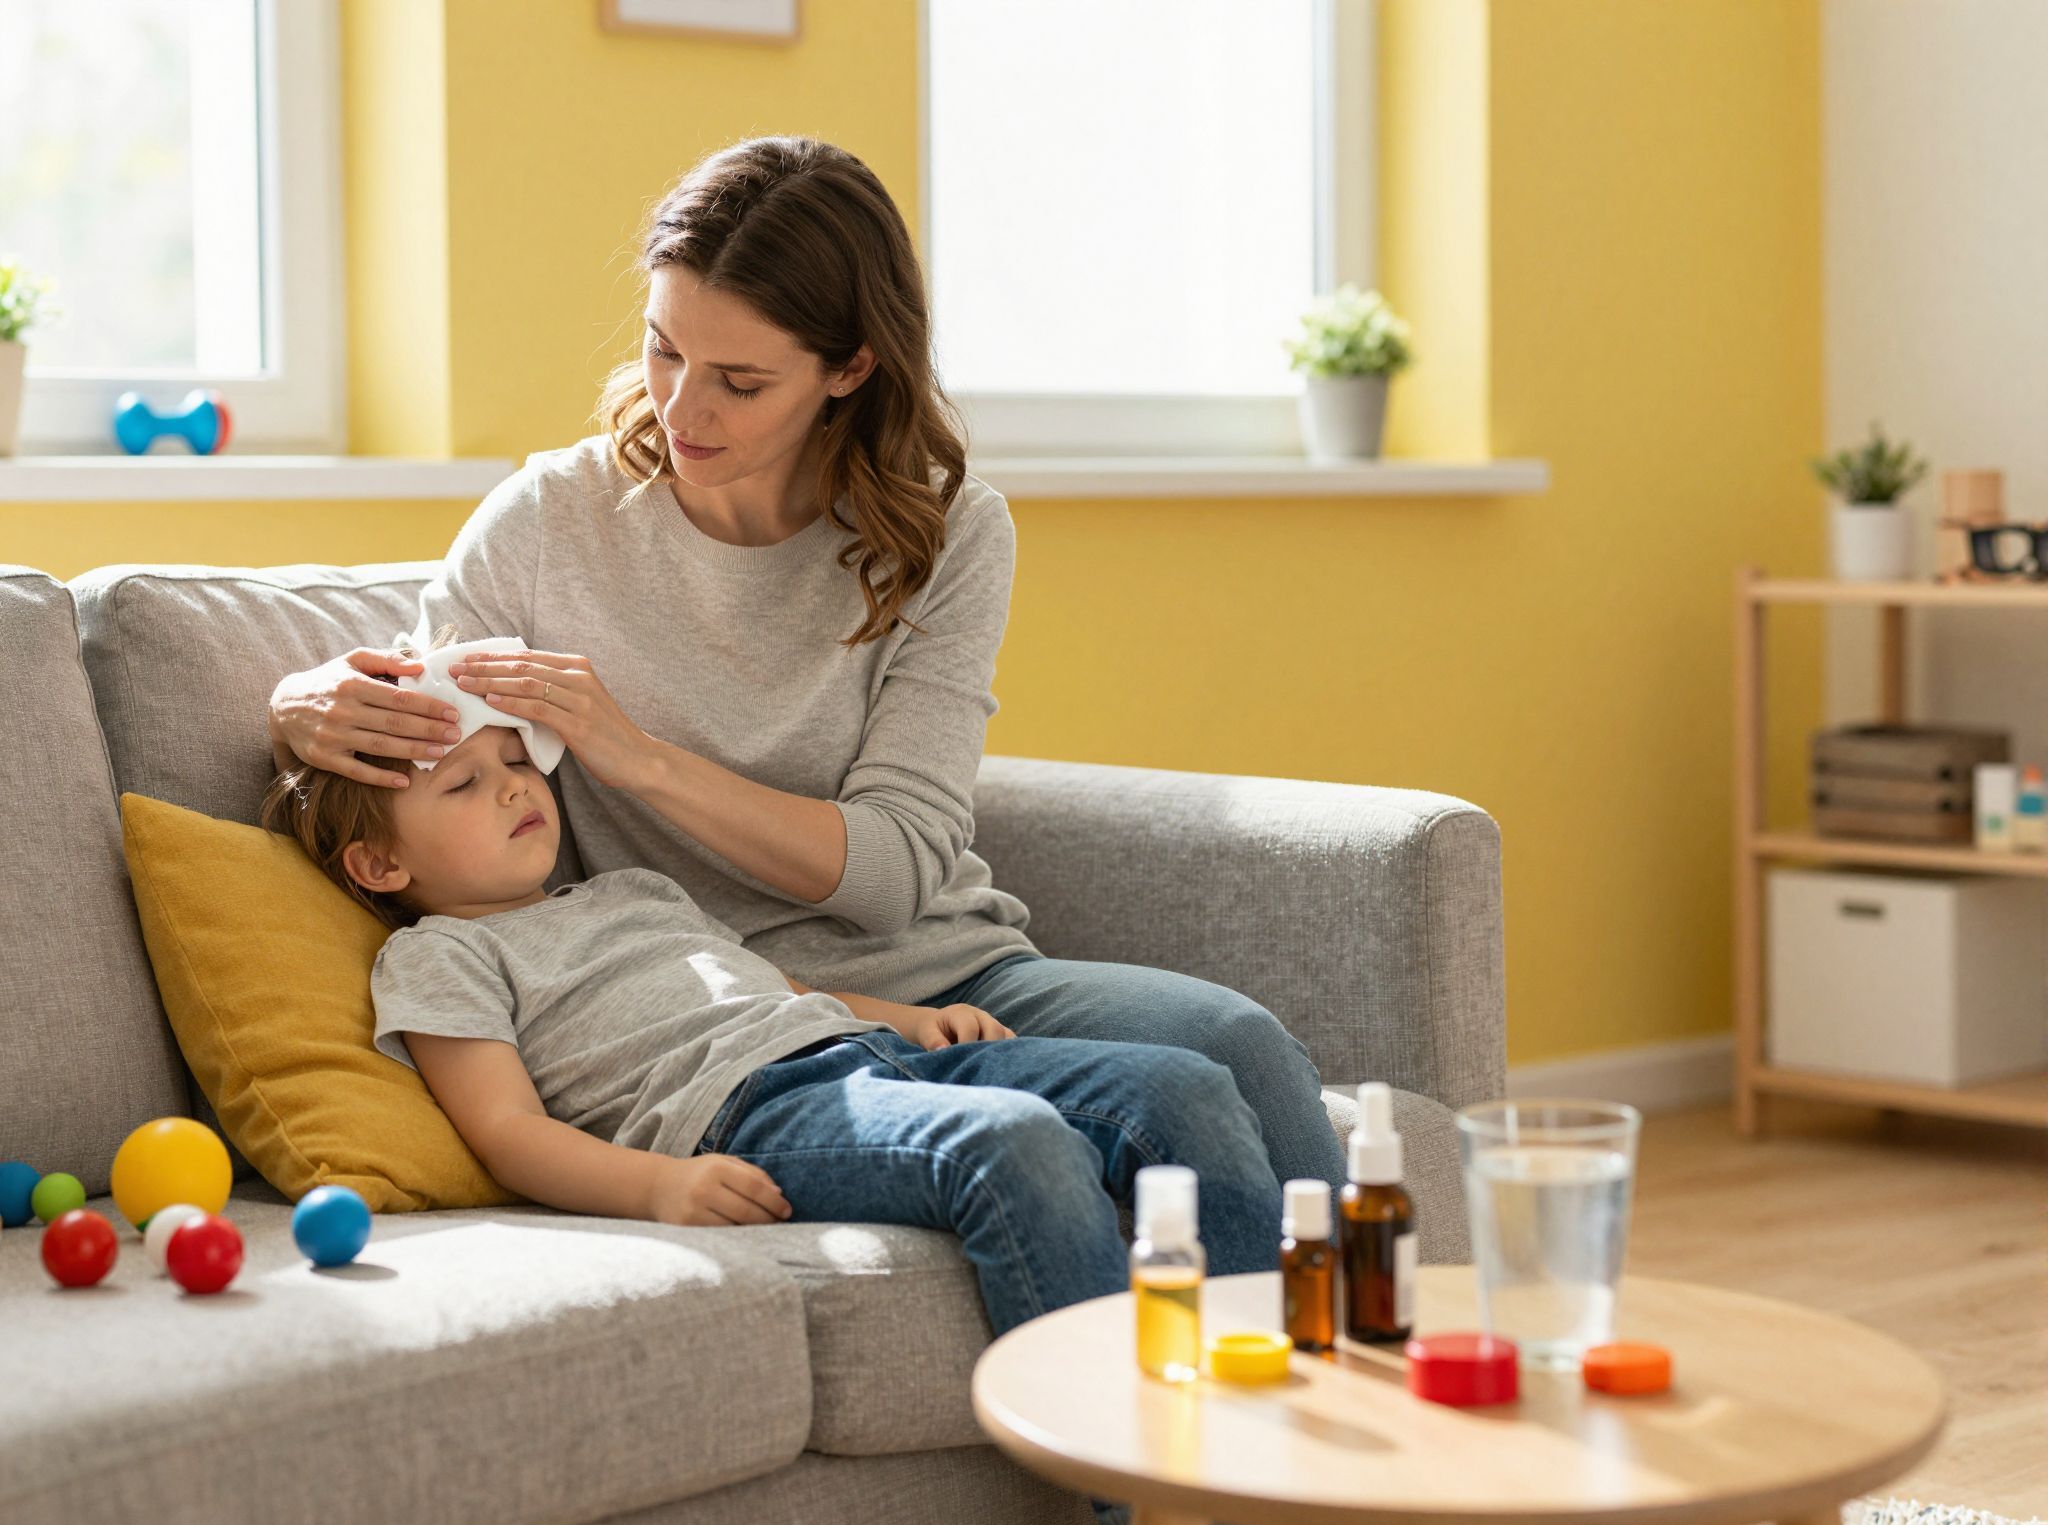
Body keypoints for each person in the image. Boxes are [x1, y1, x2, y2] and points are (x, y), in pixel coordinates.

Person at [264, 132, 1346, 1213]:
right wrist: (294, 706)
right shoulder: (547, 523)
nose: (683, 409)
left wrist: (637, 762)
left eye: (738, 380)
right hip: (712, 1015)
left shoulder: (948, 531)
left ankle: (1355, 1365)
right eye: (662, 350)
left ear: (848, 368)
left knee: (1236, 1043)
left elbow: (892, 872)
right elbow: (420, 742)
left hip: (944, 977)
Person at [258, 709, 1282, 1341]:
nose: (517, 785)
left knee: (1181, 1087)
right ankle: (1144, 1487)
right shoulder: (440, 955)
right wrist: (658, 1186)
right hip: (745, 1116)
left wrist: (914, 1020)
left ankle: (1265, 1436)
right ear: (381, 867)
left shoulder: (628, 889)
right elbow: (504, 1132)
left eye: (512, 760)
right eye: (465, 784)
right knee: (1013, 1142)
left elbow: (766, 982)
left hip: (860, 1054)